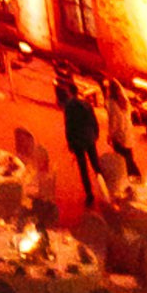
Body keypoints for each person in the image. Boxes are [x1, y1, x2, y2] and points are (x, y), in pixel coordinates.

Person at [58, 74, 103, 205]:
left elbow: (69, 125)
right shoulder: (86, 104)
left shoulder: (69, 106)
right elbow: (94, 120)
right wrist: (95, 134)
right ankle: (105, 188)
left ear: (69, 92)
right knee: (96, 165)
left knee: (83, 168)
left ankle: (89, 194)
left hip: (78, 140)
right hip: (89, 137)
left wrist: (70, 142)